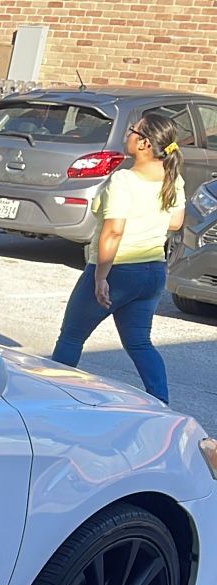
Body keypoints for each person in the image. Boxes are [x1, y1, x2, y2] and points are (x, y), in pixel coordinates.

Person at [49, 111, 187, 403]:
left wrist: (101, 276)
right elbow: (175, 222)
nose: (128, 135)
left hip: (118, 270)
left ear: (145, 144)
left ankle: (49, 399)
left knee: (71, 337)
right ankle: (162, 403)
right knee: (139, 342)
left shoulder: (125, 179)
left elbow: (113, 232)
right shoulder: (172, 178)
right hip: (152, 272)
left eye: (133, 132)